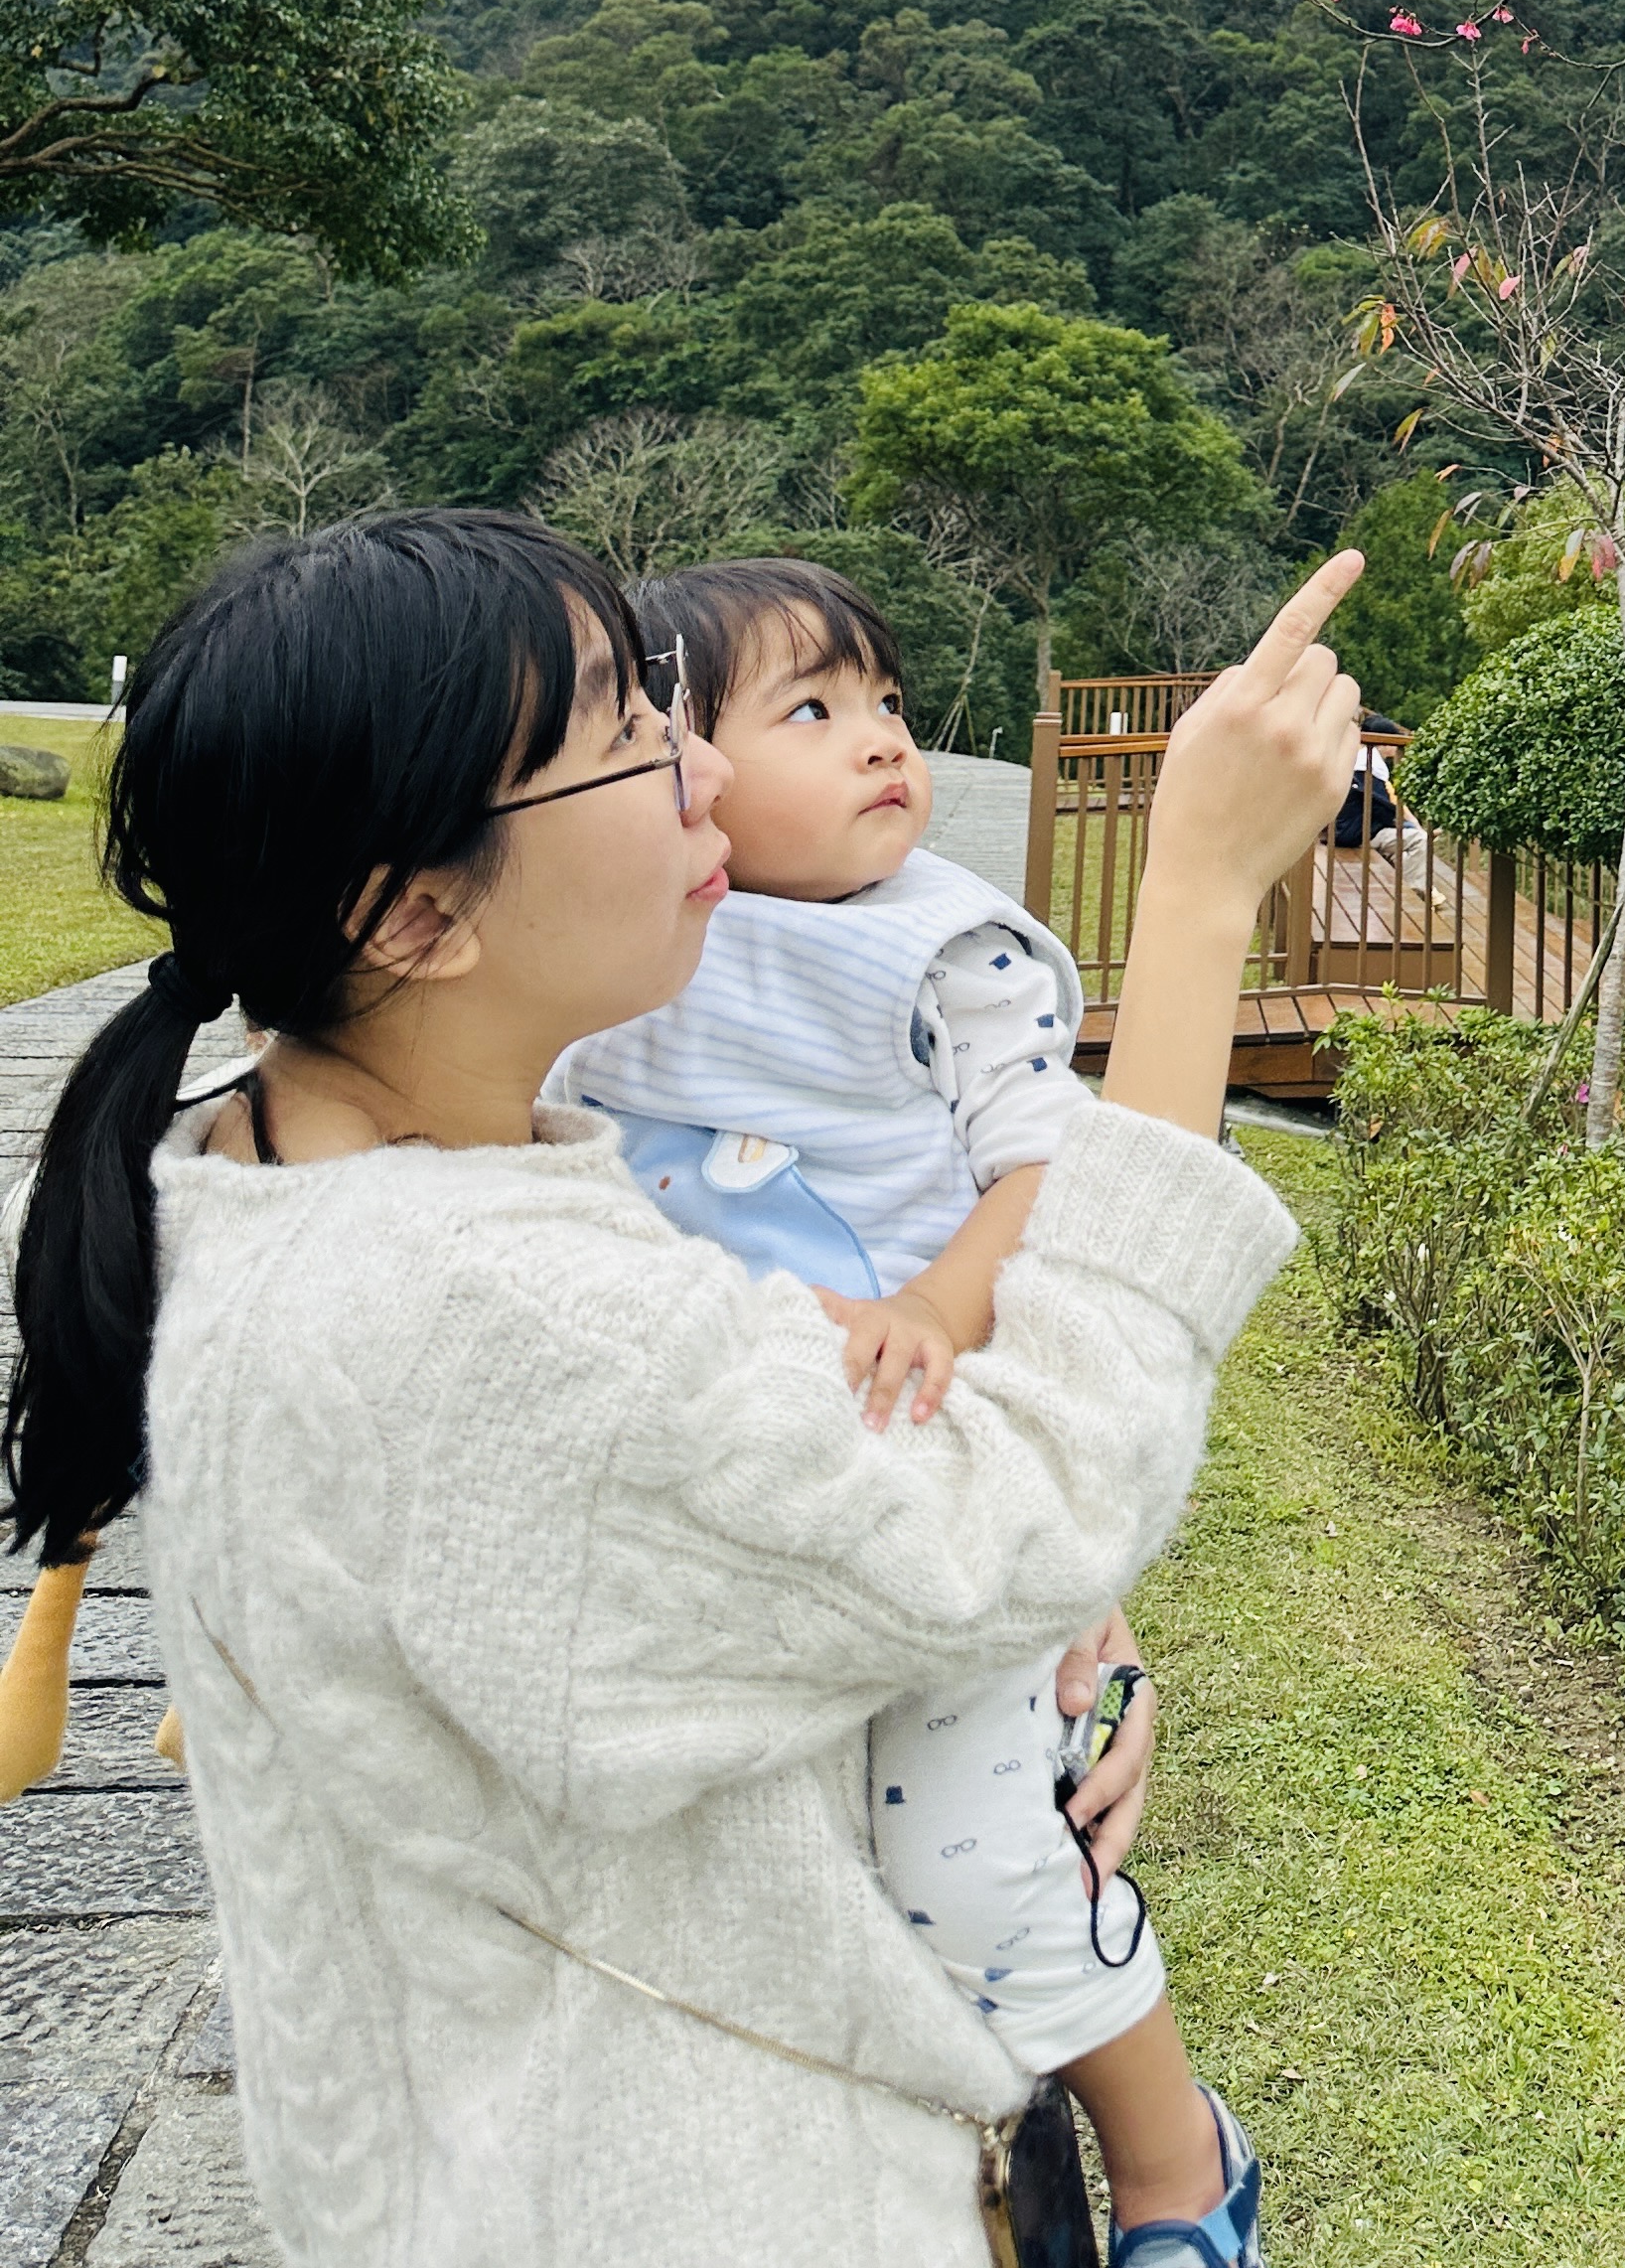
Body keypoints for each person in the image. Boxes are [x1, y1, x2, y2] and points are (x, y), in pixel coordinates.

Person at [1, 507, 1361, 2268]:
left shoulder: (317, 1189)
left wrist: (1035, 1657)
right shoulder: (502, 1321)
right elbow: (1027, 1504)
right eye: (630, 742)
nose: (699, 778)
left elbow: (803, 1554)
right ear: (419, 914)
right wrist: (1196, 894)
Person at [547, 556, 1244, 2260]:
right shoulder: (623, 946)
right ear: (681, 767)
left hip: (931, 1459)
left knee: (978, 1863)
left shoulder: (949, 955)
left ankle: (1174, 2162)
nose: (881, 745)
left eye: (888, 707)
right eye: (811, 710)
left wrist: (942, 1308)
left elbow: (1049, 1176)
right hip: (734, 1499)